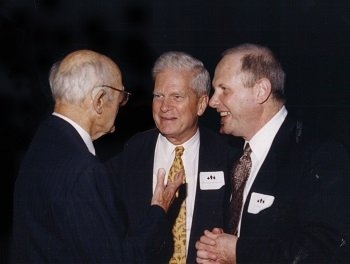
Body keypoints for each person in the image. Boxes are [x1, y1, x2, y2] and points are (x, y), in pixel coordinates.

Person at [10, 49, 184, 263]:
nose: (121, 108)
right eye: (121, 98)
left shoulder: (45, 141)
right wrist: (159, 209)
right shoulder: (84, 170)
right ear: (99, 100)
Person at [195, 43, 350, 263]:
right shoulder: (234, 155)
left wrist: (239, 251)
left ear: (261, 91)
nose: (212, 101)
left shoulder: (320, 155)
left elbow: (326, 248)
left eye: (224, 89)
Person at [106, 51, 236, 263]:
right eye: (158, 96)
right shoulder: (132, 151)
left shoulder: (228, 154)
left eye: (177, 97)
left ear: (201, 104)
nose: (164, 107)